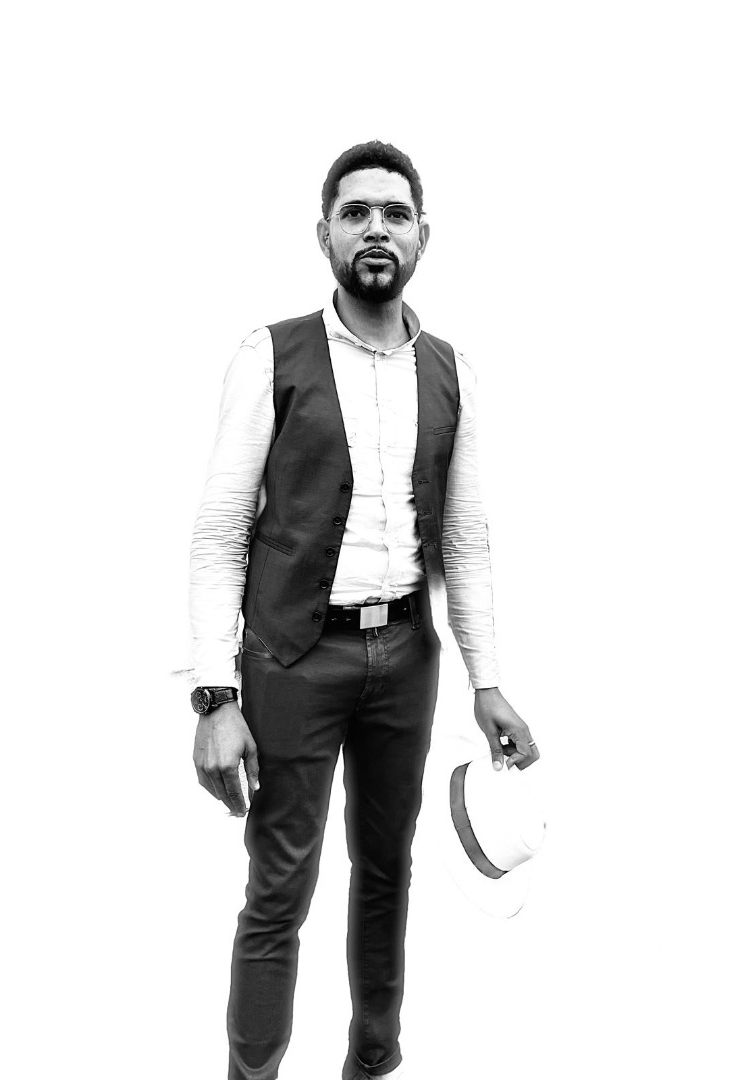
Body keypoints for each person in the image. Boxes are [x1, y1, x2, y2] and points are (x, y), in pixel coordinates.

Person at [189, 140, 540, 1080]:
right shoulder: (270, 355)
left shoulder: (455, 370)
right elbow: (220, 531)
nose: (376, 229)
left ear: (423, 236)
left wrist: (488, 683)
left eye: (394, 213)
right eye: (356, 213)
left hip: (406, 660)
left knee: (389, 874)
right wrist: (214, 697)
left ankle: (372, 1061)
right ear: (325, 235)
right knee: (279, 887)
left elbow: (465, 539)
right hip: (290, 660)